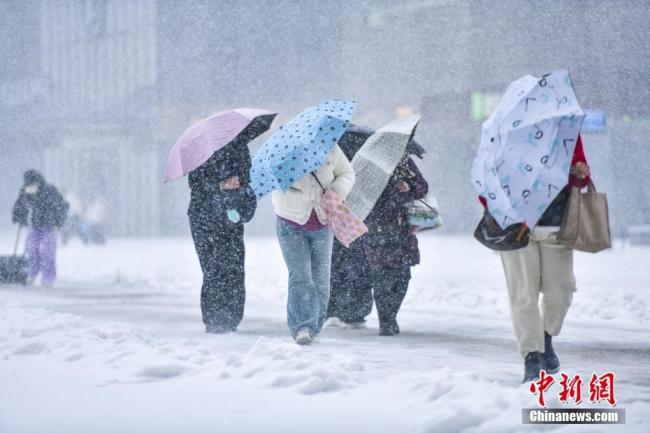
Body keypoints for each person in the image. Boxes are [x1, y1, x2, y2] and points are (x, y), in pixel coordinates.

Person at [492, 135, 591, 382]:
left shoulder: (566, 130)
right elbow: (488, 180)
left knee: (562, 290)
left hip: (556, 223)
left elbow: (581, 178)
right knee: (524, 294)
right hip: (515, 226)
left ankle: (545, 338)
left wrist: (579, 173)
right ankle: (532, 356)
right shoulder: (506, 132)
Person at [273, 144, 355, 345]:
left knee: (320, 279)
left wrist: (335, 191)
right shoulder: (284, 150)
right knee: (301, 276)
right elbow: (274, 180)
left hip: (323, 222)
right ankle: (303, 326)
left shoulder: (331, 148)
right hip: (290, 221)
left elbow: (347, 173)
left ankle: (314, 325)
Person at [188, 136, 256, 334]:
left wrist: (238, 185)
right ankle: (214, 319)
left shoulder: (240, 148)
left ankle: (231, 318)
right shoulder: (201, 151)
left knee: (234, 268)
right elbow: (196, 186)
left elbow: (246, 181)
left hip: (230, 217)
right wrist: (219, 186)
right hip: (204, 220)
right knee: (212, 268)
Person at [358, 157, 428, 335]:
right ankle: (386, 320)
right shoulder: (368, 165)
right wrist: (386, 186)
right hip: (376, 230)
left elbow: (423, 187)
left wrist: (409, 186)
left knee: (403, 276)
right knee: (381, 276)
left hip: (403, 229)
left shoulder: (405, 163)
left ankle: (391, 314)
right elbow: (360, 193)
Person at [12, 170, 68, 286]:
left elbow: (62, 206)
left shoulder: (50, 191)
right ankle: (32, 274)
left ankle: (48, 278)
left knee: (47, 252)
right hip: (34, 225)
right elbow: (19, 206)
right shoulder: (26, 191)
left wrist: (59, 221)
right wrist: (19, 216)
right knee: (32, 249)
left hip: (50, 226)